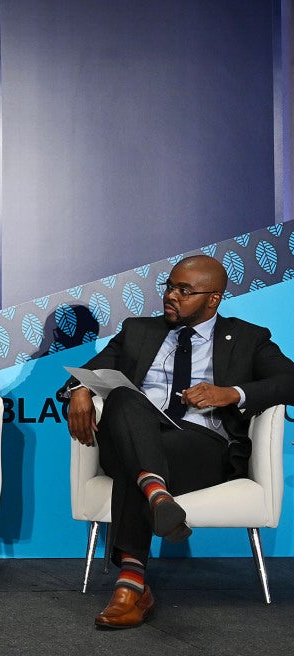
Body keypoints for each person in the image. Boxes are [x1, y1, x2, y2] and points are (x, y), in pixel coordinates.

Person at [60, 254, 294, 629]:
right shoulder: (138, 330)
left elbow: (289, 380)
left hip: (200, 446)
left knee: (136, 463)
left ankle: (133, 582)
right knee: (122, 395)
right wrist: (80, 389)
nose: (171, 296)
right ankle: (156, 498)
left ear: (213, 299)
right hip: (133, 435)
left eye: (184, 291)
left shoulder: (248, 337)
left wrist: (230, 393)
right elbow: (92, 371)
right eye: (169, 286)